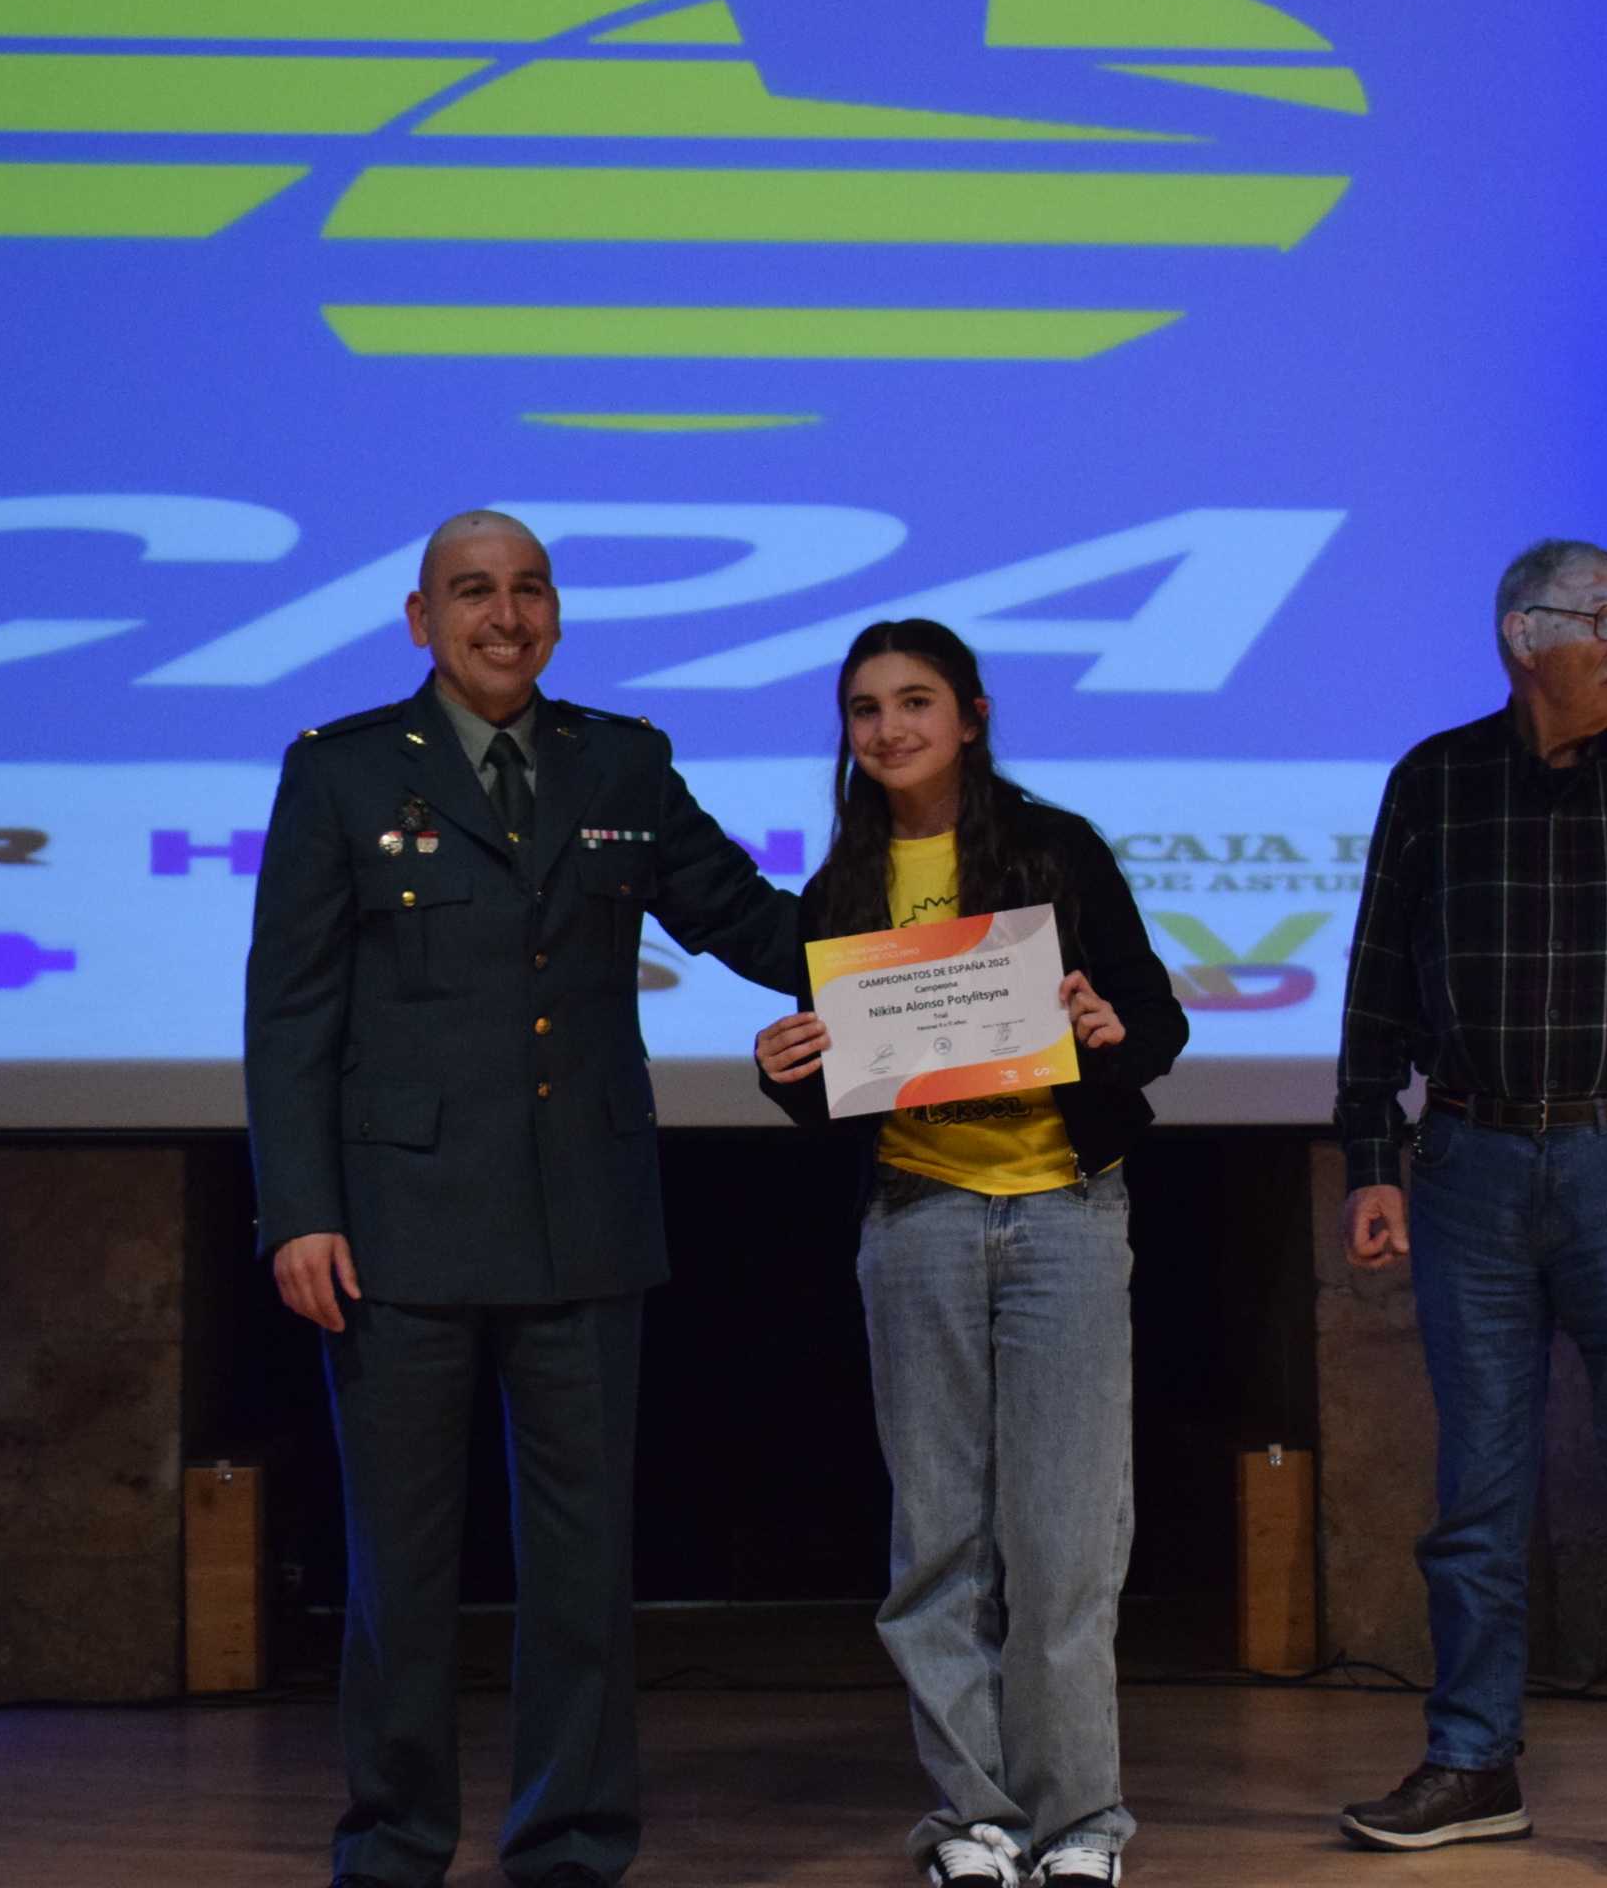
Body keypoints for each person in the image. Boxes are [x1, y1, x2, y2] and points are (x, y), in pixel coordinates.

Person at [244, 510, 805, 1888]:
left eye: (530, 590)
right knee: (401, 1579)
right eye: (475, 592)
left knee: (581, 1577)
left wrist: (956, 944)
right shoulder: (343, 772)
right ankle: (391, 1843)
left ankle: (569, 1844)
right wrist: (298, 1209)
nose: (507, 616)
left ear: (557, 611)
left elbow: (757, 923)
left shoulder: (623, 759)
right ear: (419, 616)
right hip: (396, 1230)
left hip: (585, 1222)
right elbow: (291, 1012)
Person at [1328, 538, 1607, 1878]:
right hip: (1469, 1167)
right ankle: (1473, 1761)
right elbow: (1376, 989)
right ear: (1524, 638)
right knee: (1475, 1495)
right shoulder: (1434, 784)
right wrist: (1370, 1157)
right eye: (1605, 619)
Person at [748, 619, 1188, 1888]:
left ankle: (1082, 1825)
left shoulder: (1055, 849)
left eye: (915, 702)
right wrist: (782, 1073)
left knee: (1064, 1539)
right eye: (865, 708)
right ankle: (975, 1822)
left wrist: (1107, 1025)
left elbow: (1152, 1018)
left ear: (973, 715)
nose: (888, 729)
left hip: (1062, 1211)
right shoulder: (839, 885)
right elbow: (838, 1082)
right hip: (918, 1219)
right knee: (938, 1537)